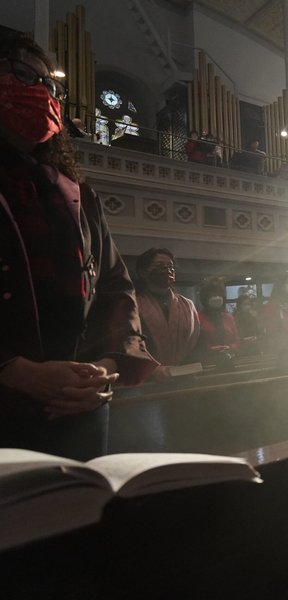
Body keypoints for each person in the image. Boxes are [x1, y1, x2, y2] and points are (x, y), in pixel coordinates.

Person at [0, 30, 157, 459]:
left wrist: (105, 368)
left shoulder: (75, 192)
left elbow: (114, 288)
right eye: (21, 74)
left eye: (50, 85)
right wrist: (15, 371)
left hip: (79, 406)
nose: (43, 93)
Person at [135, 248, 200, 379]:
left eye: (170, 266)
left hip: (184, 375)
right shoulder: (134, 304)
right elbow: (129, 345)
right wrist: (153, 369)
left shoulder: (187, 304)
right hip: (147, 378)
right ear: (143, 272)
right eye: (160, 266)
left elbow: (197, 341)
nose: (167, 270)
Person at [196, 277, 239, 364]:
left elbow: (237, 340)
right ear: (205, 298)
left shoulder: (228, 318)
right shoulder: (197, 318)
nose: (217, 297)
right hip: (207, 363)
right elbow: (194, 344)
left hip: (230, 361)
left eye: (219, 295)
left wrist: (230, 347)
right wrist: (210, 349)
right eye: (212, 295)